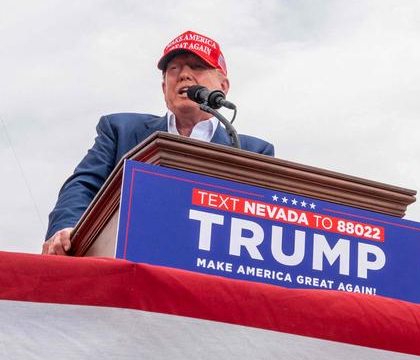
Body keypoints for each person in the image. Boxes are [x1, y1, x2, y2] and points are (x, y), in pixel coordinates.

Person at [43, 31, 275, 254]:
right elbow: (83, 185)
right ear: (165, 87)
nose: (184, 74)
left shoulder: (254, 152)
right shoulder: (120, 131)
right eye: (173, 69)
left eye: (197, 66)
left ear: (223, 87)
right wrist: (67, 229)